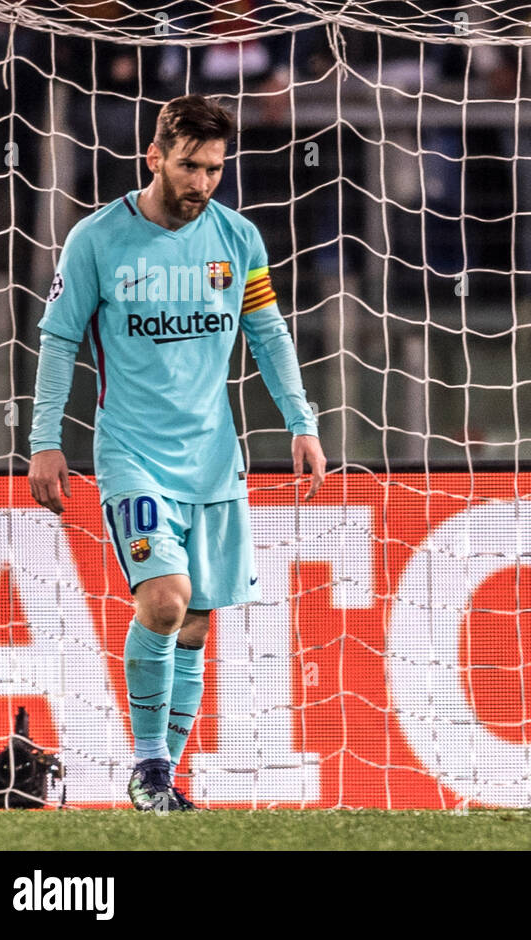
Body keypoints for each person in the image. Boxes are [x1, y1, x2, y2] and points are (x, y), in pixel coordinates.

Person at [27, 94, 326, 811]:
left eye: (215, 169)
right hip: (132, 454)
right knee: (165, 601)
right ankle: (151, 765)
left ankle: (161, 781)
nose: (202, 183)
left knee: (194, 625)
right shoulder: (97, 240)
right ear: (154, 156)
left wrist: (301, 420)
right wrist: (44, 441)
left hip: (216, 461)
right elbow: (60, 338)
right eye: (189, 166)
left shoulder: (239, 240)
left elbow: (268, 333)